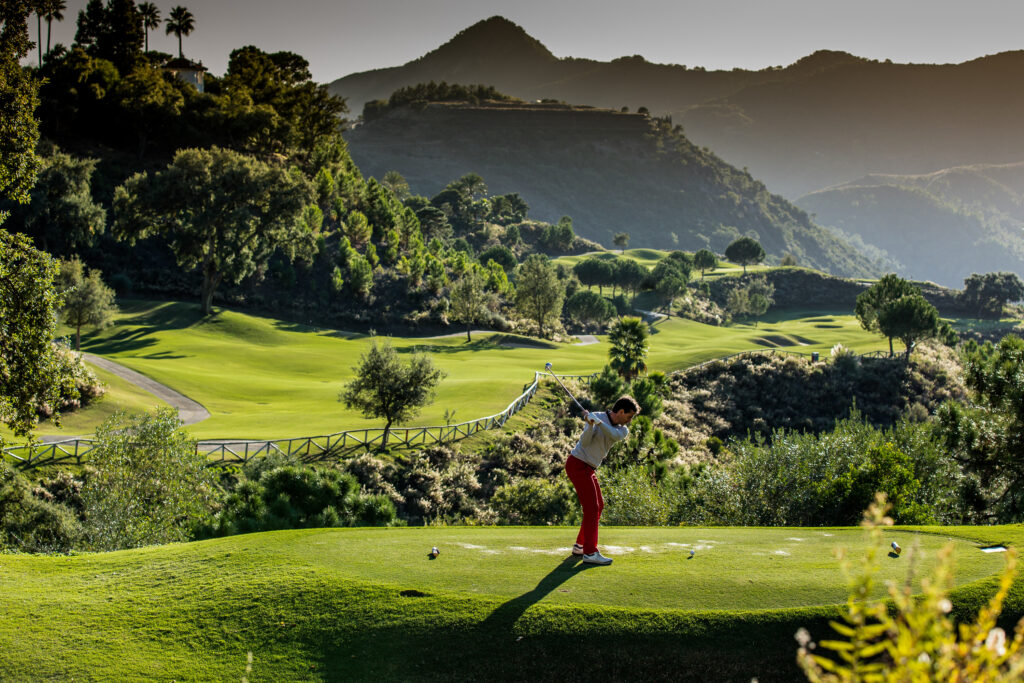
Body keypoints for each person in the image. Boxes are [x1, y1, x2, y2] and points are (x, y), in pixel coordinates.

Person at [565, 395, 639, 565]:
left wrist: (597, 422)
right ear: (620, 412)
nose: (629, 421)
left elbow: (612, 434)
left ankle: (580, 546)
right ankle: (590, 553)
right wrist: (590, 425)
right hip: (577, 464)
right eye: (629, 416)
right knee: (592, 508)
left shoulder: (621, 430)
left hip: (588, 467)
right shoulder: (596, 416)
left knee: (599, 506)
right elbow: (584, 443)